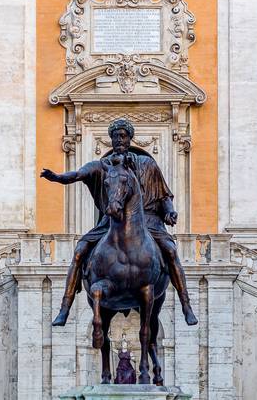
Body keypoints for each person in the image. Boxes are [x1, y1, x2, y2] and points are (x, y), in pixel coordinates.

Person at [40, 118, 198, 326]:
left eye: (123, 136)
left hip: (149, 222)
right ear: (111, 140)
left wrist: (169, 212)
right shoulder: (103, 166)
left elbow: (163, 195)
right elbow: (78, 174)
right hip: (111, 222)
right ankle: (65, 308)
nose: (119, 140)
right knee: (79, 251)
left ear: (130, 139)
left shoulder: (147, 164)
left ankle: (186, 305)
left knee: (170, 251)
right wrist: (59, 178)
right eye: (115, 136)